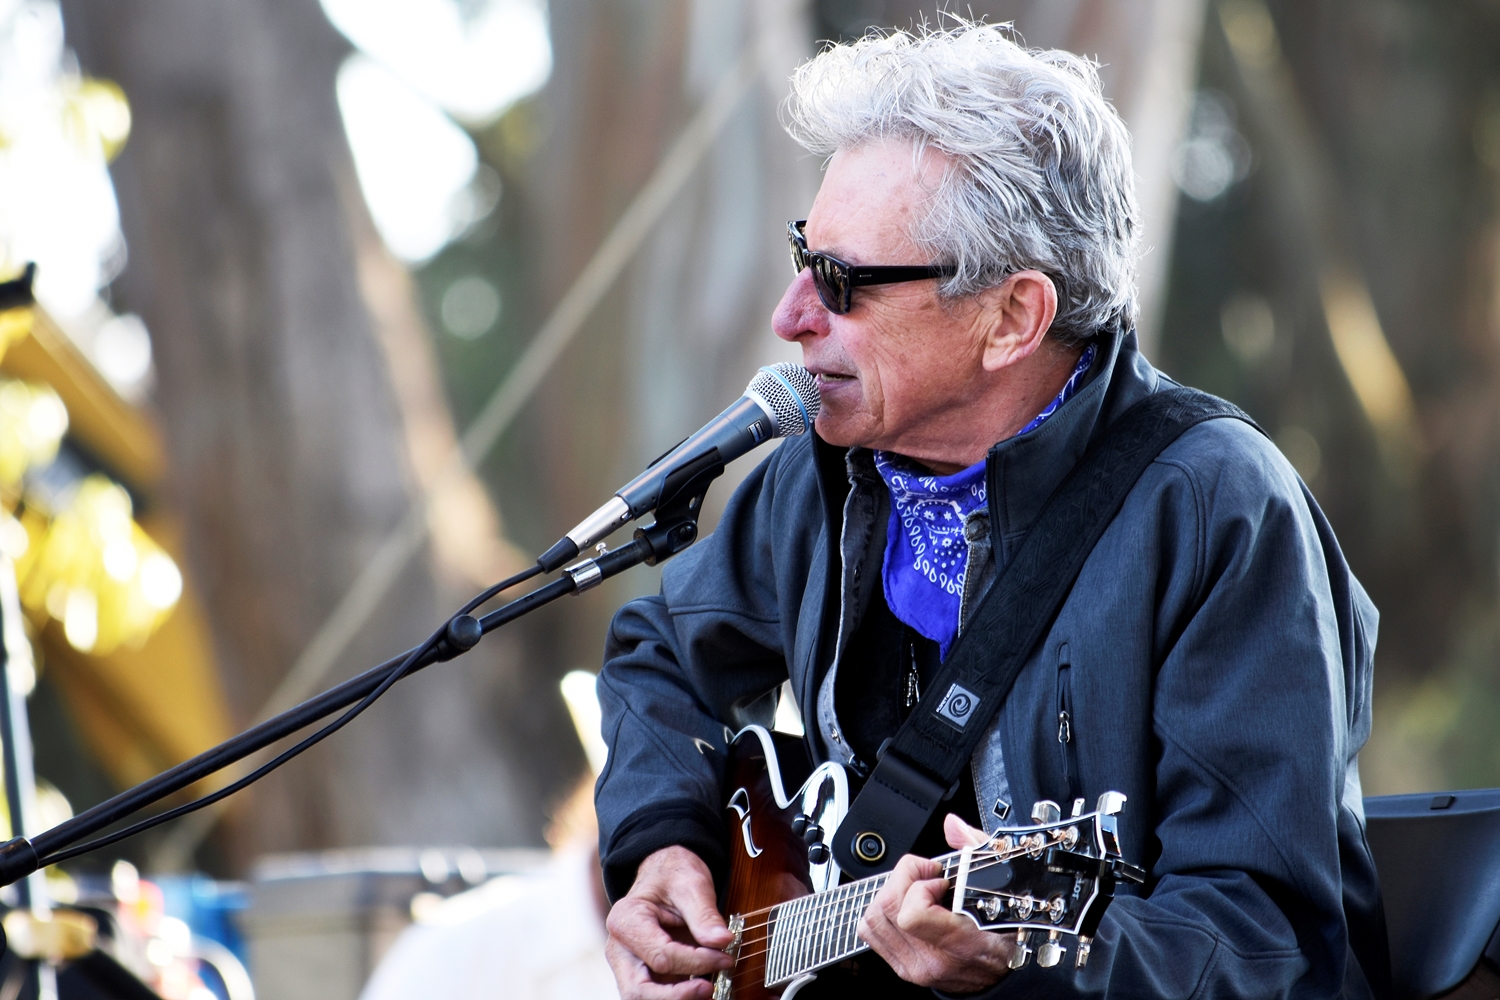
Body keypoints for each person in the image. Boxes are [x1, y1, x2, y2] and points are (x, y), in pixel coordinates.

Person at [595, 22, 1387, 1000]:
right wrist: (662, 841)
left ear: (1013, 317)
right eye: (804, 254)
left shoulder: (1216, 506)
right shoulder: (818, 476)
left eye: (840, 281)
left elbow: (1265, 943)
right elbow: (657, 653)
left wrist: (1026, 966)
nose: (790, 315)